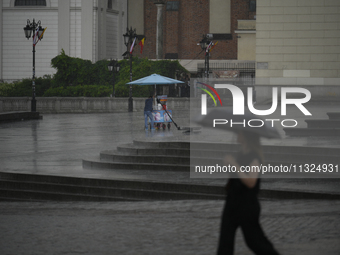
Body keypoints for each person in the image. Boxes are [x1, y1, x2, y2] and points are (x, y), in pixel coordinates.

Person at [217, 130, 279, 255]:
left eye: (239, 132)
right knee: (225, 243)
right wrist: (228, 166)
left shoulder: (254, 157)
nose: (237, 134)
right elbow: (236, 178)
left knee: (255, 242)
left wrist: (234, 164)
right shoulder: (240, 155)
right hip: (232, 203)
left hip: (246, 206)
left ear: (246, 136)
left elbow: (251, 181)